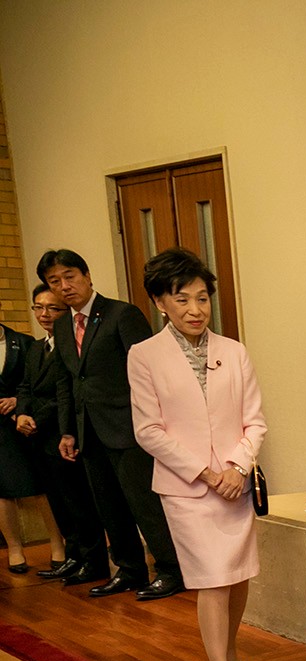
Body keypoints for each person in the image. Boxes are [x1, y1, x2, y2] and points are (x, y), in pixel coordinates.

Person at [127, 248, 267, 661]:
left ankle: (230, 648)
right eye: (182, 299)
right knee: (212, 578)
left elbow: (255, 422)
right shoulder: (144, 355)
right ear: (160, 302)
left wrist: (236, 468)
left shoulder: (234, 351)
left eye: (202, 298)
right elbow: (148, 430)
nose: (195, 309)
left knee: (237, 574)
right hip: (186, 488)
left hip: (234, 483)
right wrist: (206, 472)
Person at [41, 248, 184, 600]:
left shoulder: (122, 314)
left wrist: (152, 423)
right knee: (110, 506)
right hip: (89, 430)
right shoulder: (62, 325)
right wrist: (68, 430)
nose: (64, 286)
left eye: (70, 276)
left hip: (130, 428)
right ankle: (130, 569)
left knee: (144, 504)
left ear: (87, 276)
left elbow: (149, 372)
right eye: (54, 281)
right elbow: (66, 381)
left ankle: (172, 569)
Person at [13, 285, 107, 582]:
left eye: (53, 308)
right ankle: (73, 556)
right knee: (59, 503)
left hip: (64, 434)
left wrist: (35, 418)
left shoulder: (72, 346)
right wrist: (22, 412)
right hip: (38, 438)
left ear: (67, 311)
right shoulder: (36, 347)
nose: (45, 314)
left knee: (78, 502)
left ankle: (93, 561)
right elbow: (25, 386)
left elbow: (66, 393)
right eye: (39, 307)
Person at [1, 318, 63, 573]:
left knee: (42, 484)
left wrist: (17, 401)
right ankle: (15, 549)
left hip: (28, 420)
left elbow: (31, 383)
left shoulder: (23, 342)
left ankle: (58, 544)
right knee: (3, 489)